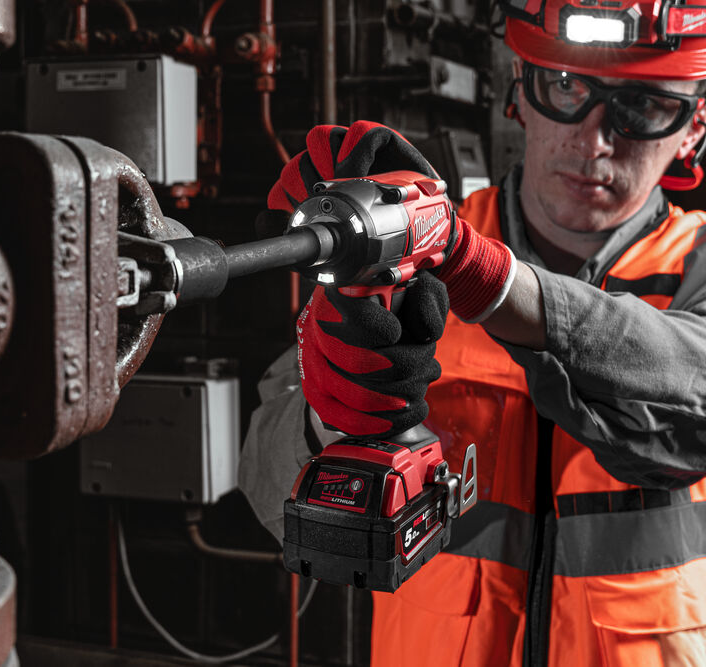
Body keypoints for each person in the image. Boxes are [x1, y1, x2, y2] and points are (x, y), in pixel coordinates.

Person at [238, 1, 706, 665]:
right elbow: (263, 486)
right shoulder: (403, 257)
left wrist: (479, 272)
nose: (595, 139)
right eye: (565, 86)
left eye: (645, 105)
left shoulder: (696, 265)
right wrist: (330, 414)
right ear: (520, 90)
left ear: (694, 127)